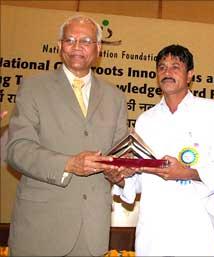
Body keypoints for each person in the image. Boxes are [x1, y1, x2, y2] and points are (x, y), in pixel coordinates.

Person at [6, 15, 130, 256]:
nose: (76, 46)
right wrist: (69, 164)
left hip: (92, 231)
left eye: (85, 40)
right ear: (59, 45)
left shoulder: (115, 97)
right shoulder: (33, 88)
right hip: (40, 230)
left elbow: (119, 153)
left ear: (98, 48)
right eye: (69, 39)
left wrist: (120, 170)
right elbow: (17, 149)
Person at [107, 44, 214, 256]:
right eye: (162, 67)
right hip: (154, 234)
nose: (167, 72)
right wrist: (120, 178)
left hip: (197, 231)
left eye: (175, 66)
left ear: (190, 75)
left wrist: (186, 173)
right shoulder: (145, 120)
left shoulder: (212, 111)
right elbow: (138, 180)